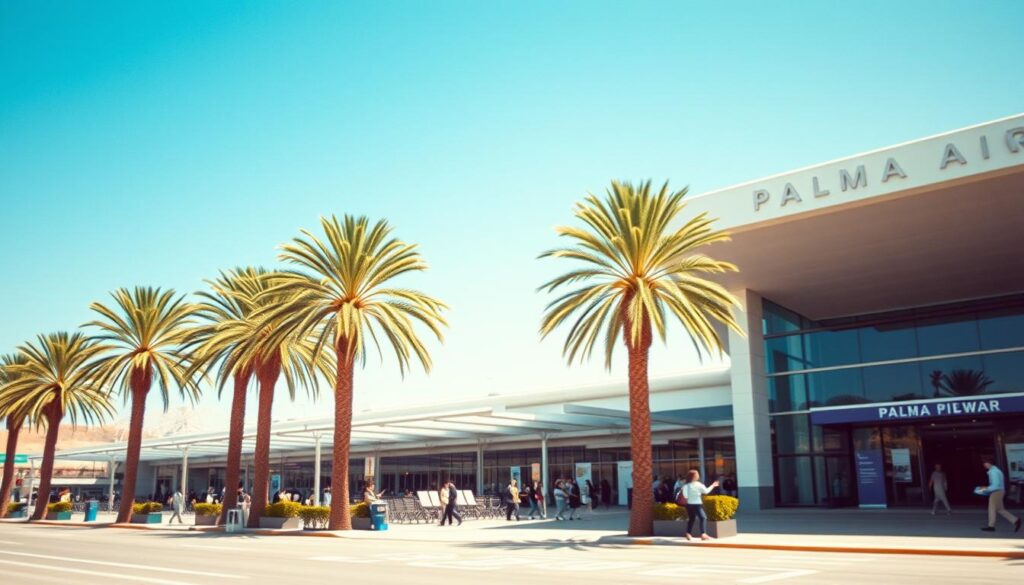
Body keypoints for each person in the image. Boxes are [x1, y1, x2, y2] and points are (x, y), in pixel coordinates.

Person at [979, 460, 1021, 532]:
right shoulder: (996, 471)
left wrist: (985, 490)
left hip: (996, 492)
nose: (984, 465)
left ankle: (991, 526)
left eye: (985, 463)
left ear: (989, 463)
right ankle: (1015, 520)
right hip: (1000, 491)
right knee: (1000, 509)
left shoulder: (993, 472)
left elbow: (995, 485)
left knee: (991, 508)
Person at [680, 469, 718, 541]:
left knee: (692, 518)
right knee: (703, 517)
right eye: (697, 474)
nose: (698, 475)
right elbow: (706, 491)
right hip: (697, 504)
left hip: (689, 505)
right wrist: (713, 485)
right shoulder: (699, 485)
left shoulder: (686, 486)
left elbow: (685, 496)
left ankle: (688, 533)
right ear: (695, 476)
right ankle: (703, 534)